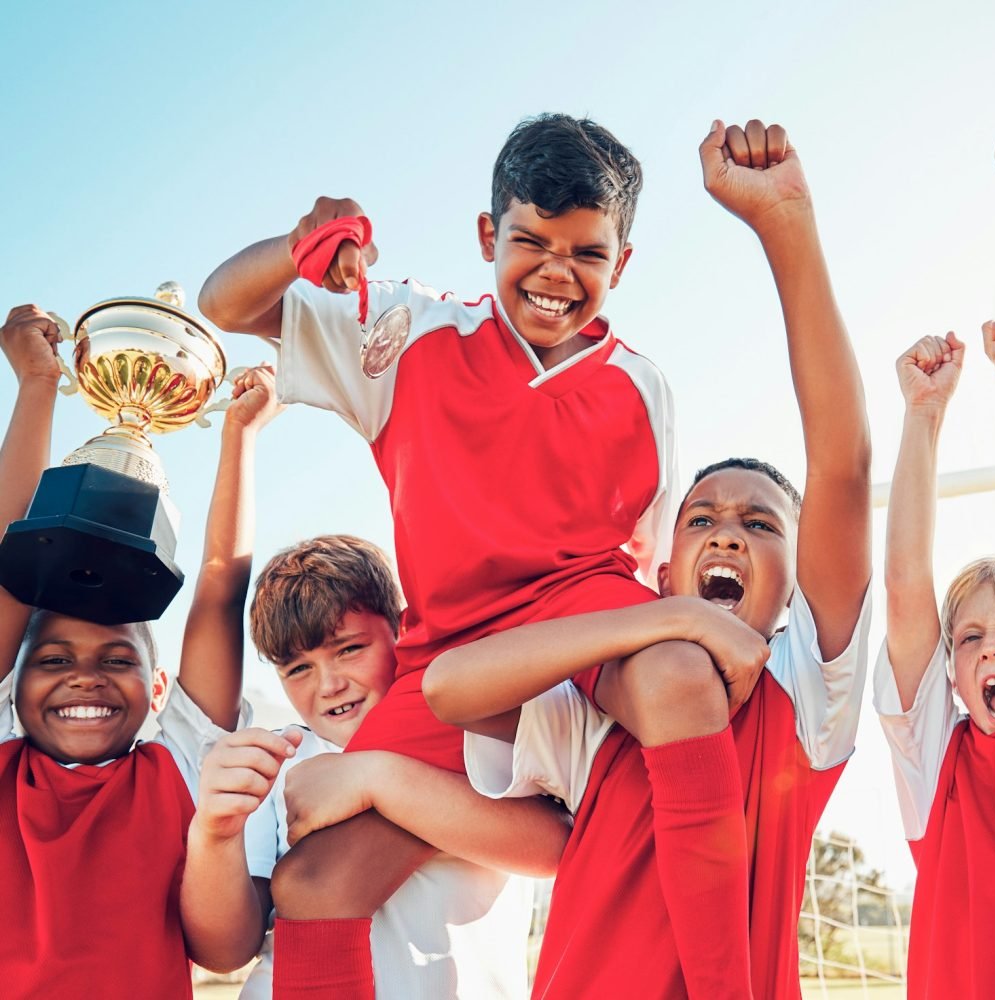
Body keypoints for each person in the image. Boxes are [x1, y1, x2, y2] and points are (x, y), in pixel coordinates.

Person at [199, 113, 680, 996]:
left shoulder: (642, 389)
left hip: (567, 656)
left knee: (658, 780)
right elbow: (224, 303)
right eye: (531, 241)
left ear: (623, 262)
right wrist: (306, 243)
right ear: (488, 235)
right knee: (313, 879)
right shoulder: (410, 333)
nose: (556, 272)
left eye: (587, 254)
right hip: (446, 665)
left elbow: (645, 563)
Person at [424, 118, 872, 999]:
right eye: (700, 517)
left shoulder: (808, 694)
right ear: (665, 571)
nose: (728, 531)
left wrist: (787, 226)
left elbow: (845, 467)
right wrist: (654, 623)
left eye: (763, 524)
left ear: (793, 591)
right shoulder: (607, 709)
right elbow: (450, 687)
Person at [0, 306, 269, 999]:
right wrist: (36, 383)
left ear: (158, 689)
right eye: (52, 660)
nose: (83, 674)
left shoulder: (178, 773)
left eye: (118, 660)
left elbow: (218, 588)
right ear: (13, 684)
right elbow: (9, 563)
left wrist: (240, 437)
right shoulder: (3, 758)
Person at [181, 532, 569, 999]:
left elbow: (553, 848)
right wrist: (215, 834)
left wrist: (375, 779)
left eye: (348, 649)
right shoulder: (280, 763)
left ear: (402, 633)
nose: (328, 685)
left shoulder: (468, 728)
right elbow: (225, 952)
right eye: (298, 669)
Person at [874, 323, 995, 998]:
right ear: (952, 672)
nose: (992, 647)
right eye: (972, 637)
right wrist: (923, 416)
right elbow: (904, 585)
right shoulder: (937, 763)